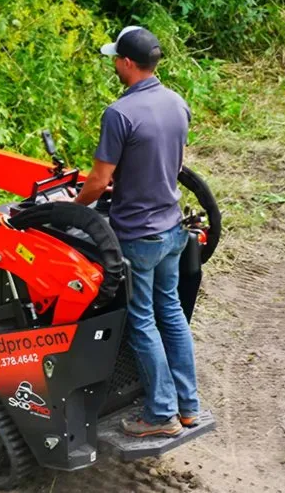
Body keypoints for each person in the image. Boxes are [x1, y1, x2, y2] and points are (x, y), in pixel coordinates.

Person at [72, 25, 200, 437]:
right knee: (172, 315)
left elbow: (96, 181)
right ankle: (187, 406)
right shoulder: (177, 102)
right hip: (172, 230)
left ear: (127, 63)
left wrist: (70, 209)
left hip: (138, 237)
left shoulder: (120, 113)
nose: (113, 63)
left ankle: (160, 414)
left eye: (115, 58)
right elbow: (173, 162)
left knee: (142, 321)